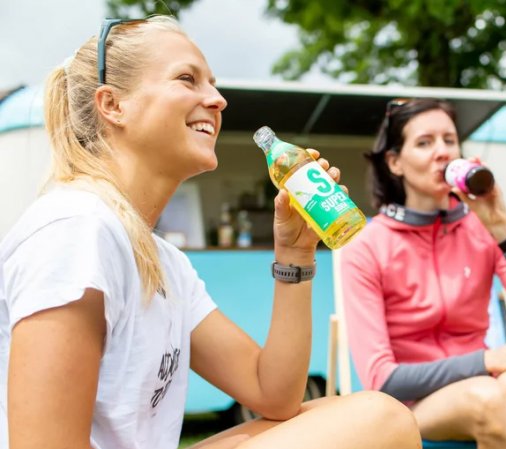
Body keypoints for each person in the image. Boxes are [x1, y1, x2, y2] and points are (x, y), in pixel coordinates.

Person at [0, 16, 421, 449]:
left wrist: (295, 255)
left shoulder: (164, 263)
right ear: (112, 105)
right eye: (188, 79)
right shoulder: (76, 230)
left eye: (213, 85)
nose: (217, 100)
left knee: (356, 413)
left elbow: (272, 394)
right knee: (381, 419)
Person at [340, 98, 506, 449]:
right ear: (395, 162)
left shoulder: (481, 229)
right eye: (425, 142)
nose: (442, 151)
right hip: (407, 406)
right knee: (486, 398)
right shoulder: (366, 245)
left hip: (482, 382)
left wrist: (503, 229)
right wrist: (488, 359)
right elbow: (382, 379)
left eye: (449, 140)